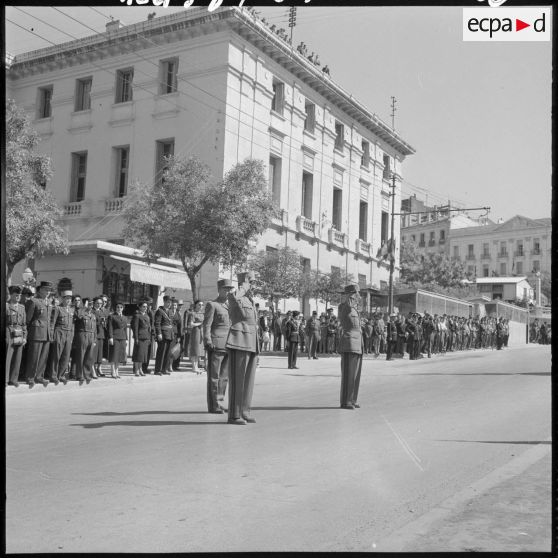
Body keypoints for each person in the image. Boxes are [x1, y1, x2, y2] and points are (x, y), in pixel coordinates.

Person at [225, 271, 259, 425]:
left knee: (248, 381)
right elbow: (232, 298)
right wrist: (244, 286)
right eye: (251, 282)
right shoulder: (235, 295)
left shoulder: (250, 300)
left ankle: (245, 411)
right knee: (237, 380)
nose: (253, 285)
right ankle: (234, 415)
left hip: (251, 341)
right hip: (239, 341)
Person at [203, 279, 234, 414]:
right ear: (219, 289)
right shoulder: (212, 304)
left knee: (224, 377)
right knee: (214, 377)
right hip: (216, 344)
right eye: (225, 289)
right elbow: (207, 325)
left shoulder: (230, 306)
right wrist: (207, 341)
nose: (227, 291)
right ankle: (213, 405)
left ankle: (220, 402)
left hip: (229, 344)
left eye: (229, 289)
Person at [25, 280, 55, 389]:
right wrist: (26, 333)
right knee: (34, 356)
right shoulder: (34, 301)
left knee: (43, 357)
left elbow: (50, 320)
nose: (48, 292)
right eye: (46, 290)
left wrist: (50, 333)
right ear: (40, 290)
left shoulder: (49, 303)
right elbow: (28, 319)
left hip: (46, 333)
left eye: (49, 290)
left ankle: (39, 376)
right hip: (36, 332)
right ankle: (30, 377)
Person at [338, 284, 363, 409]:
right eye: (356, 293)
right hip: (349, 344)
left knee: (355, 375)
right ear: (351, 294)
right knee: (348, 374)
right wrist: (351, 295)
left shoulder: (354, 308)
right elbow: (347, 304)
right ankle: (345, 401)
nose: (358, 295)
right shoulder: (345, 307)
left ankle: (352, 399)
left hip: (357, 344)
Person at [47, 289, 74, 385]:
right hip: (59, 332)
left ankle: (61, 375)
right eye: (66, 298)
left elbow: (72, 325)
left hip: (68, 334)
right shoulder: (58, 308)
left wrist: (72, 337)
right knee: (56, 355)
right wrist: (51, 335)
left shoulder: (71, 310)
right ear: (62, 299)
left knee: (66, 356)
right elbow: (52, 323)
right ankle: (53, 376)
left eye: (70, 299)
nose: (68, 300)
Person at [6, 285, 27, 387]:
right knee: (7, 357)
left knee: (17, 358)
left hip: (19, 333)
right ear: (11, 295)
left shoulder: (22, 308)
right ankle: (5, 379)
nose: (18, 297)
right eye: (16, 295)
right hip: (9, 332)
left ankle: (13, 379)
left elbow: (24, 324)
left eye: (19, 295)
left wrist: (25, 337)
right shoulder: (6, 306)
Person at [73, 298, 97, 385]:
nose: (91, 306)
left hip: (91, 336)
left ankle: (87, 374)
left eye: (92, 304)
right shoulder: (82, 312)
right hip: (83, 334)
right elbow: (78, 316)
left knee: (89, 356)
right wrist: (84, 308)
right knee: (81, 355)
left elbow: (95, 329)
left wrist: (94, 339)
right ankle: (80, 375)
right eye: (89, 304)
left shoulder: (93, 315)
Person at [154, 295, 174, 375]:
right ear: (164, 302)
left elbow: (171, 323)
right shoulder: (160, 311)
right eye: (168, 302)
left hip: (169, 334)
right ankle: (158, 370)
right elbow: (157, 323)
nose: (169, 304)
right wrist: (159, 333)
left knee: (167, 353)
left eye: (170, 302)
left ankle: (164, 369)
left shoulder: (170, 311)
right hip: (163, 334)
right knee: (161, 352)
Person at [107, 302, 128, 378]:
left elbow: (125, 329)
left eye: (121, 307)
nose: (119, 309)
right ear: (115, 308)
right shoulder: (112, 316)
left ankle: (117, 371)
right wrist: (111, 337)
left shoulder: (125, 318)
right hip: (115, 337)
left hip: (122, 338)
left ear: (123, 308)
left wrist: (126, 339)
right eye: (118, 307)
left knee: (119, 356)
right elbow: (110, 328)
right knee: (113, 355)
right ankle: (112, 372)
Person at [131, 300, 151, 376]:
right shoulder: (137, 316)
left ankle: (140, 369)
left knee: (142, 355)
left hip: (145, 337)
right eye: (143, 306)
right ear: (139, 307)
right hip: (139, 337)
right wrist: (136, 338)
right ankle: (136, 370)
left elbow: (149, 328)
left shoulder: (147, 316)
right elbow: (135, 328)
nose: (145, 308)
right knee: (137, 355)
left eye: (146, 307)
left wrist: (149, 338)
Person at [92, 296, 107, 378]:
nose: (99, 305)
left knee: (99, 354)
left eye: (101, 303)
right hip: (94, 334)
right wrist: (99, 322)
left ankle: (99, 368)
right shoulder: (92, 311)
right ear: (94, 303)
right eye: (97, 303)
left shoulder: (102, 312)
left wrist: (104, 323)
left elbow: (105, 323)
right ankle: (93, 370)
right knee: (94, 353)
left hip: (101, 334)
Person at [188, 300, 205, 374]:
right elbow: (191, 324)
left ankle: (197, 366)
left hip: (201, 333)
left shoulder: (202, 314)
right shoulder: (192, 314)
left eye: (202, 305)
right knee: (195, 349)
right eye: (199, 305)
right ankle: (194, 367)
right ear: (195, 305)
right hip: (195, 332)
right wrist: (200, 323)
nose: (201, 306)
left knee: (199, 350)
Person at [142, 296, 155, 374]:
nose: (150, 305)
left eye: (151, 303)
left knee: (148, 352)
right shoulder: (142, 311)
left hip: (151, 334)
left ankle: (145, 367)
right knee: (142, 351)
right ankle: (140, 368)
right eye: (148, 303)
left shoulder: (151, 311)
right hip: (144, 334)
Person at [170, 298, 183, 371]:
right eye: (173, 305)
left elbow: (180, 325)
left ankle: (175, 365)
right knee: (171, 350)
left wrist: (179, 336)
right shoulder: (170, 312)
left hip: (178, 334)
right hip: (171, 333)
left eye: (176, 305)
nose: (180, 306)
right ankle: (170, 366)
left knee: (177, 350)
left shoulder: (179, 313)